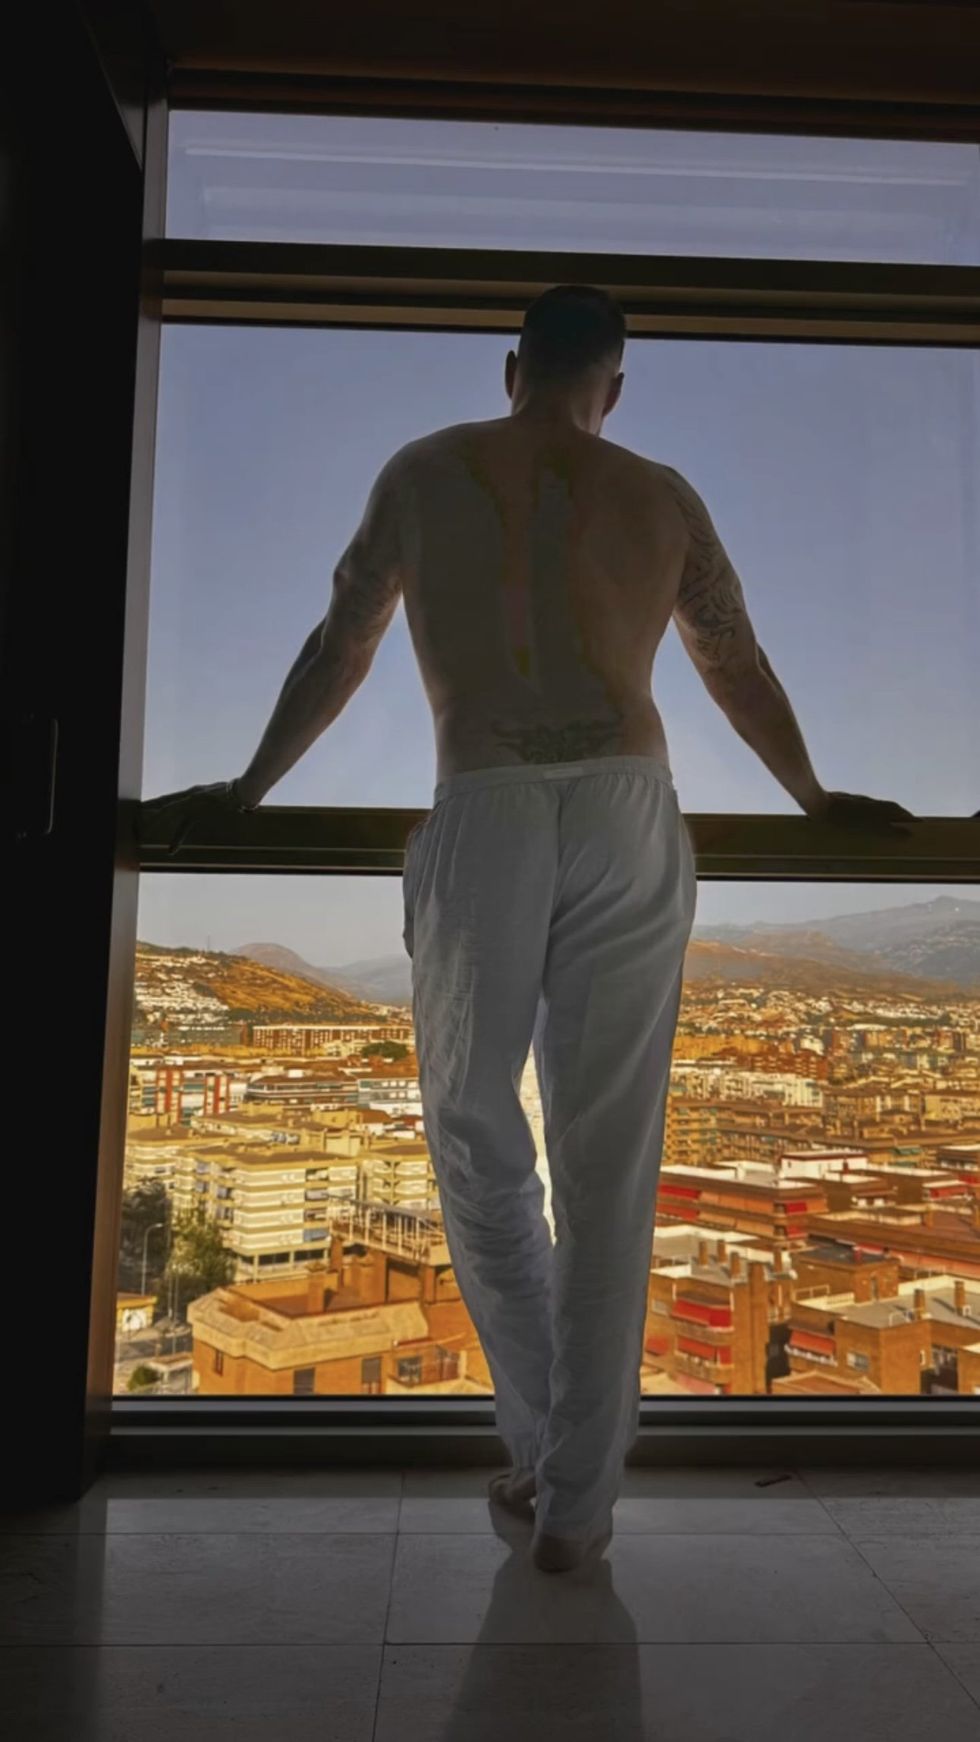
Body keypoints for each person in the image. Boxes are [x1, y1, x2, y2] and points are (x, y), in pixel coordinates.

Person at [146, 285, 912, 1572]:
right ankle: (574, 1501)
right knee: (610, 1161)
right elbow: (734, 660)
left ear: (510, 366)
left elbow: (339, 642)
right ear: (611, 388)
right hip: (625, 797)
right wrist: (815, 798)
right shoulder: (659, 493)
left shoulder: (422, 469)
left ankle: (549, 1443)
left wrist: (245, 788)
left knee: (472, 1133)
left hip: (488, 790)